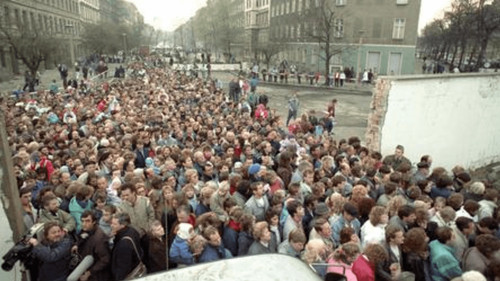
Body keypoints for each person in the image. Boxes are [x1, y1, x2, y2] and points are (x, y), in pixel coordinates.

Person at [74, 210, 111, 281]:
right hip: (85, 265)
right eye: (82, 221)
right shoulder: (86, 229)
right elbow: (81, 238)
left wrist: (89, 273)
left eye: (87, 221)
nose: (84, 224)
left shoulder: (99, 239)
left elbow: (105, 260)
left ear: (94, 222)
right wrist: (76, 244)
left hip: (96, 274)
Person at [110, 213, 143, 281]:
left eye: (114, 224)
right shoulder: (133, 231)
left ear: (122, 225)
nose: (111, 226)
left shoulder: (124, 244)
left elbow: (123, 268)